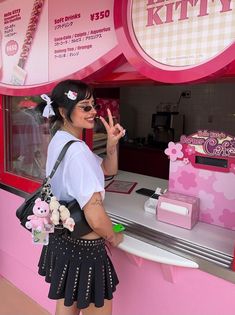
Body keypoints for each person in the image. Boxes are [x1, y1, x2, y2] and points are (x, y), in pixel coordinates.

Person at [37, 79, 124, 315]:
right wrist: (113, 237)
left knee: (68, 304)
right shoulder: (77, 151)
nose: (94, 111)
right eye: (85, 107)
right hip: (85, 247)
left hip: (63, 238)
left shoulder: (62, 141)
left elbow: (107, 169)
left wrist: (111, 144)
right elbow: (94, 214)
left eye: (93, 105)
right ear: (64, 112)